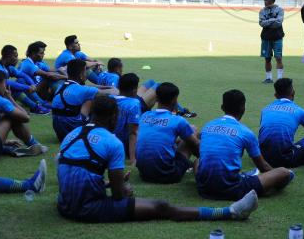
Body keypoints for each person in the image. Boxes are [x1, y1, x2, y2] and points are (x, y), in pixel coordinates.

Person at [57, 95, 259, 223]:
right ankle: (228, 212)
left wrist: (109, 183)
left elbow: (72, 168)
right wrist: (123, 189)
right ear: (113, 117)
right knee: (162, 207)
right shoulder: (112, 142)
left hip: (64, 204)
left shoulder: (72, 135)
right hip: (86, 209)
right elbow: (119, 197)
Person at [197, 89, 293, 200]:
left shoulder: (207, 126)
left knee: (198, 161)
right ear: (243, 108)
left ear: (222, 107)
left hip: (204, 189)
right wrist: (276, 175)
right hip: (233, 189)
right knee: (284, 172)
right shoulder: (246, 132)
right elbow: (263, 166)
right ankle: (250, 179)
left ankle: (242, 176)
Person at [136, 82, 200, 183]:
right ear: (175, 100)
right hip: (168, 175)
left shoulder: (145, 116)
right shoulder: (178, 120)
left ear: (156, 98)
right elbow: (196, 144)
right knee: (192, 130)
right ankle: (206, 163)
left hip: (143, 174)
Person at [259, 78, 304, 168]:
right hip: (285, 158)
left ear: (275, 95)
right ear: (293, 92)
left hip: (262, 157)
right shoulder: (300, 111)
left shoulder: (265, 109)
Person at [51, 59, 115, 142]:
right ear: (81, 74)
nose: (86, 74)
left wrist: (107, 86)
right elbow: (110, 93)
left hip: (60, 130)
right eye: (85, 71)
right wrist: (117, 90)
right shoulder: (81, 90)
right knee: (98, 100)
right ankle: (103, 132)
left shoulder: (62, 85)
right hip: (72, 131)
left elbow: (89, 88)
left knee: (89, 96)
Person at [0, 44, 50, 114]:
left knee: (21, 81)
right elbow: (7, 82)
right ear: (8, 57)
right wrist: (27, 87)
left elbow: (23, 75)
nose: (17, 59)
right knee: (15, 89)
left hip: (4, 94)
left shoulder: (8, 67)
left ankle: (38, 104)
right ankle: (36, 106)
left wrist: (32, 84)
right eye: (15, 56)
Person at [113, 73, 142, 163]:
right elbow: (133, 133)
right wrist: (133, 159)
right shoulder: (133, 103)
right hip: (123, 145)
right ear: (134, 91)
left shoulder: (110, 99)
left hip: (109, 141)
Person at [259, 0, 285, 84]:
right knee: (267, 59)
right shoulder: (262, 11)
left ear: (272, 0)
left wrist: (268, 22)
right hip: (266, 38)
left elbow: (278, 23)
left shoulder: (280, 10)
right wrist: (272, 20)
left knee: (278, 58)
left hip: (277, 37)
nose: (264, 1)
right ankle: (269, 78)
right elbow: (261, 23)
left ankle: (279, 79)